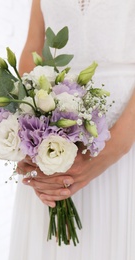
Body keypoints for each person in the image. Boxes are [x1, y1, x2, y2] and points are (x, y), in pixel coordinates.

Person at [8, 0, 135, 259]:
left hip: (126, 140)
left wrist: (113, 149)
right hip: (51, 139)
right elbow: (33, 51)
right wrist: (28, 128)